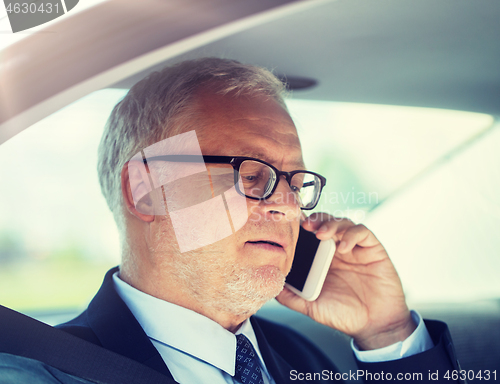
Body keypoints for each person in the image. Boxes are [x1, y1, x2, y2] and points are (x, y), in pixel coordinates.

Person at [56, 58, 461, 383]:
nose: (287, 207)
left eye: (297, 182)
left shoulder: (304, 357)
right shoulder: (43, 370)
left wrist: (388, 334)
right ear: (147, 190)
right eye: (251, 176)